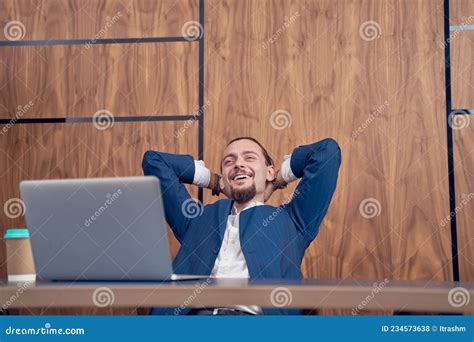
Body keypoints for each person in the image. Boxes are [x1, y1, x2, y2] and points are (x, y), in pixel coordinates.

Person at [142, 137, 341, 315]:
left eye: (249, 158)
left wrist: (279, 178)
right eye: (229, 161)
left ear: (269, 171)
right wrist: (213, 181)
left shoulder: (293, 220)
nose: (238, 164)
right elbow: (154, 162)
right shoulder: (195, 220)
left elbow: (327, 153)